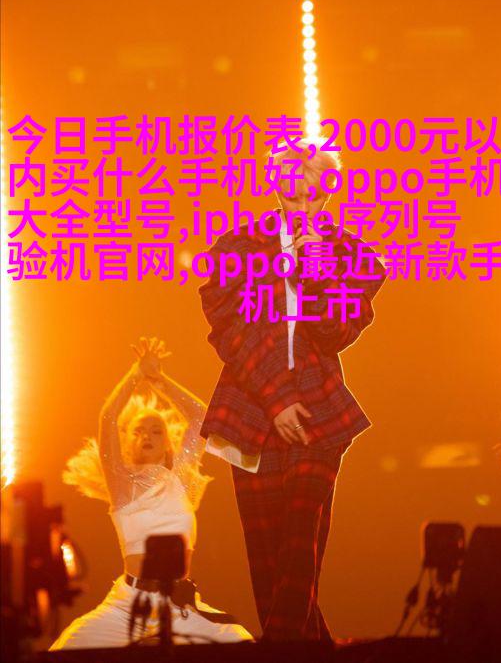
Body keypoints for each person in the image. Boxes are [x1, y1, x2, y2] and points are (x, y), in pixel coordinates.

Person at [198, 143, 387, 641]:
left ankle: (281, 648)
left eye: (313, 195)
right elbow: (230, 333)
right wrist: (277, 398)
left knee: (301, 547)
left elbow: (336, 333)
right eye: (292, 193)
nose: (302, 204)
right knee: (269, 564)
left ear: (329, 194)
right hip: (250, 413)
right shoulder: (236, 248)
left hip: (319, 410)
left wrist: (316, 271)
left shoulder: (355, 258)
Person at [51, 337, 253, 649]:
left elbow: (201, 418)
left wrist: (159, 380)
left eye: (156, 430)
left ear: (168, 444)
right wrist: (136, 374)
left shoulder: (181, 479)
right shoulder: (122, 484)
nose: (147, 435)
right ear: (128, 442)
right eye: (139, 430)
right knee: (67, 648)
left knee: (241, 643)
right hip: (129, 604)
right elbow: (108, 419)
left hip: (179, 602)